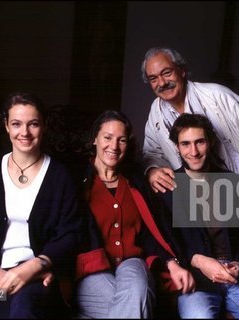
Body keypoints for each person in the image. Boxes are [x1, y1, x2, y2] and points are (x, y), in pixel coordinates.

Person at [0, 92, 82, 319]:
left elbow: (70, 234)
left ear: (44, 126)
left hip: (39, 274)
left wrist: (38, 265)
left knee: (24, 307)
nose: (24, 132)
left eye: (33, 124)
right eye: (16, 124)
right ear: (6, 126)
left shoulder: (60, 175)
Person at [160, 113, 239, 318]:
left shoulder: (235, 183)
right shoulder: (168, 188)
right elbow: (166, 240)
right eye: (185, 144)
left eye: (200, 142)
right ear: (177, 147)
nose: (193, 151)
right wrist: (198, 260)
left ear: (210, 142)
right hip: (196, 278)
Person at [74, 110, 194, 318]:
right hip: (91, 271)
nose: (114, 146)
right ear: (95, 138)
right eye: (107, 138)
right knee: (136, 302)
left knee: (137, 288)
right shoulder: (76, 181)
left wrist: (171, 264)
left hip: (132, 262)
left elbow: (151, 232)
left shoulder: (136, 181)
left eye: (121, 140)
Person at [141, 46, 239, 217]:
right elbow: (152, 152)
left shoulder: (217, 95)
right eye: (153, 78)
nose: (161, 83)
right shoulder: (156, 111)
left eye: (167, 73)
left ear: (182, 70)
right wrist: (153, 170)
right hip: (201, 199)